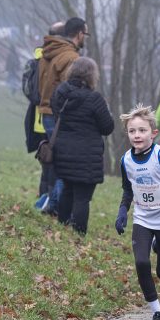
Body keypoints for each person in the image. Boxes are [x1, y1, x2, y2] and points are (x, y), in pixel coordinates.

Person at [115, 104, 160, 320]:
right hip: (142, 218)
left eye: (142, 130)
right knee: (141, 262)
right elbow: (127, 189)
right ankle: (157, 313)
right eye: (132, 131)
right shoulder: (126, 160)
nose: (137, 135)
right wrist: (123, 210)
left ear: (152, 132)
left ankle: (159, 245)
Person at [50, 57, 114, 234]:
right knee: (82, 198)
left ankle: (62, 227)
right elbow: (107, 127)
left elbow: (56, 117)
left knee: (68, 190)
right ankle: (78, 234)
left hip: (63, 152)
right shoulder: (95, 99)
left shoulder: (59, 93)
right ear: (92, 75)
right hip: (87, 156)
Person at [38, 17, 88, 216]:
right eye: (86, 34)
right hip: (59, 115)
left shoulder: (49, 51)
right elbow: (71, 91)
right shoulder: (71, 58)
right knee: (64, 161)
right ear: (80, 34)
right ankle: (55, 206)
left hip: (45, 111)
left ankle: (51, 202)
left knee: (55, 160)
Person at [29, 22, 64, 212]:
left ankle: (44, 198)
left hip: (39, 118)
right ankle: (49, 202)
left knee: (46, 162)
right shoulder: (55, 59)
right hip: (51, 117)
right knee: (53, 162)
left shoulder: (39, 56)